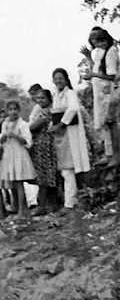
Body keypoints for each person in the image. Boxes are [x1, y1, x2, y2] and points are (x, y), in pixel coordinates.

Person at [51, 67, 90, 209]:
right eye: (56, 79)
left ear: (66, 79)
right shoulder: (56, 96)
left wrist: (61, 124)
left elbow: (73, 109)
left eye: (60, 78)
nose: (58, 81)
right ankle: (71, 201)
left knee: (69, 169)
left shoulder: (70, 93)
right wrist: (53, 126)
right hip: (61, 135)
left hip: (70, 132)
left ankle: (70, 202)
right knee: (66, 170)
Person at [86, 27, 119, 166]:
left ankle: (115, 156)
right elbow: (97, 69)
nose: (98, 44)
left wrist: (93, 75)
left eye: (99, 40)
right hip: (101, 94)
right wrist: (88, 57)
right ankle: (109, 154)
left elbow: (111, 76)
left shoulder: (111, 51)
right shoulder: (100, 53)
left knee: (110, 123)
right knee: (104, 125)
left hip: (110, 93)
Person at [0, 99, 35, 220]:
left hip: (19, 154)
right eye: (10, 109)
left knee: (19, 182)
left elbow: (27, 141)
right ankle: (15, 206)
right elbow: (1, 140)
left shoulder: (23, 124)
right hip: (9, 154)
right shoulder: (5, 123)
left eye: (15, 109)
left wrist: (15, 136)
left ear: (19, 111)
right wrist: (3, 136)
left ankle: (21, 210)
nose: (13, 112)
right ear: (7, 111)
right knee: (12, 182)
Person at [27, 85, 61, 214]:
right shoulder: (47, 110)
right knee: (50, 175)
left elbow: (31, 128)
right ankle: (52, 205)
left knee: (44, 176)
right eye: (38, 98)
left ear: (48, 99)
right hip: (44, 145)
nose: (39, 100)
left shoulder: (46, 112)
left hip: (45, 146)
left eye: (42, 98)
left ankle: (42, 206)